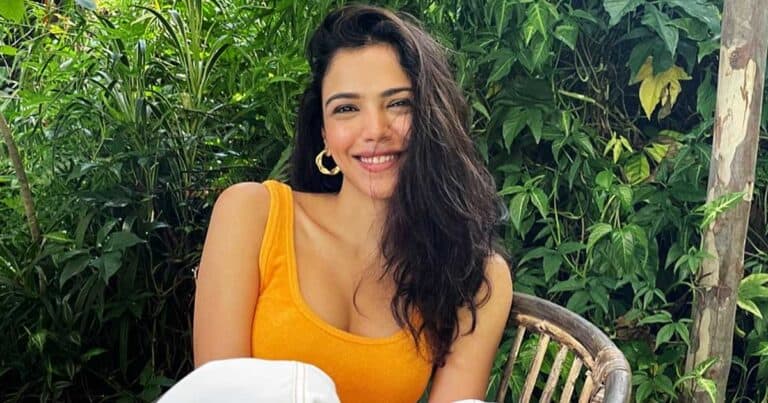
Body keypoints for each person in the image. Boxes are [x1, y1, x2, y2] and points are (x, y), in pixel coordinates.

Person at [193, 5, 513, 402]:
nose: (375, 130)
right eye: (347, 108)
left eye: (398, 103)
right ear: (324, 134)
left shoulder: (473, 274)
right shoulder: (251, 215)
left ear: (432, 118)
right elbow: (217, 392)